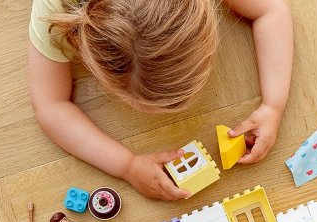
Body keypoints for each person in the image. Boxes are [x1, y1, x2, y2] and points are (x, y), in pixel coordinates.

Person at [29, 0, 293, 200]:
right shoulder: (54, 9)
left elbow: (271, 9)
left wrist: (273, 105)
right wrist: (126, 165)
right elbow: (50, 107)